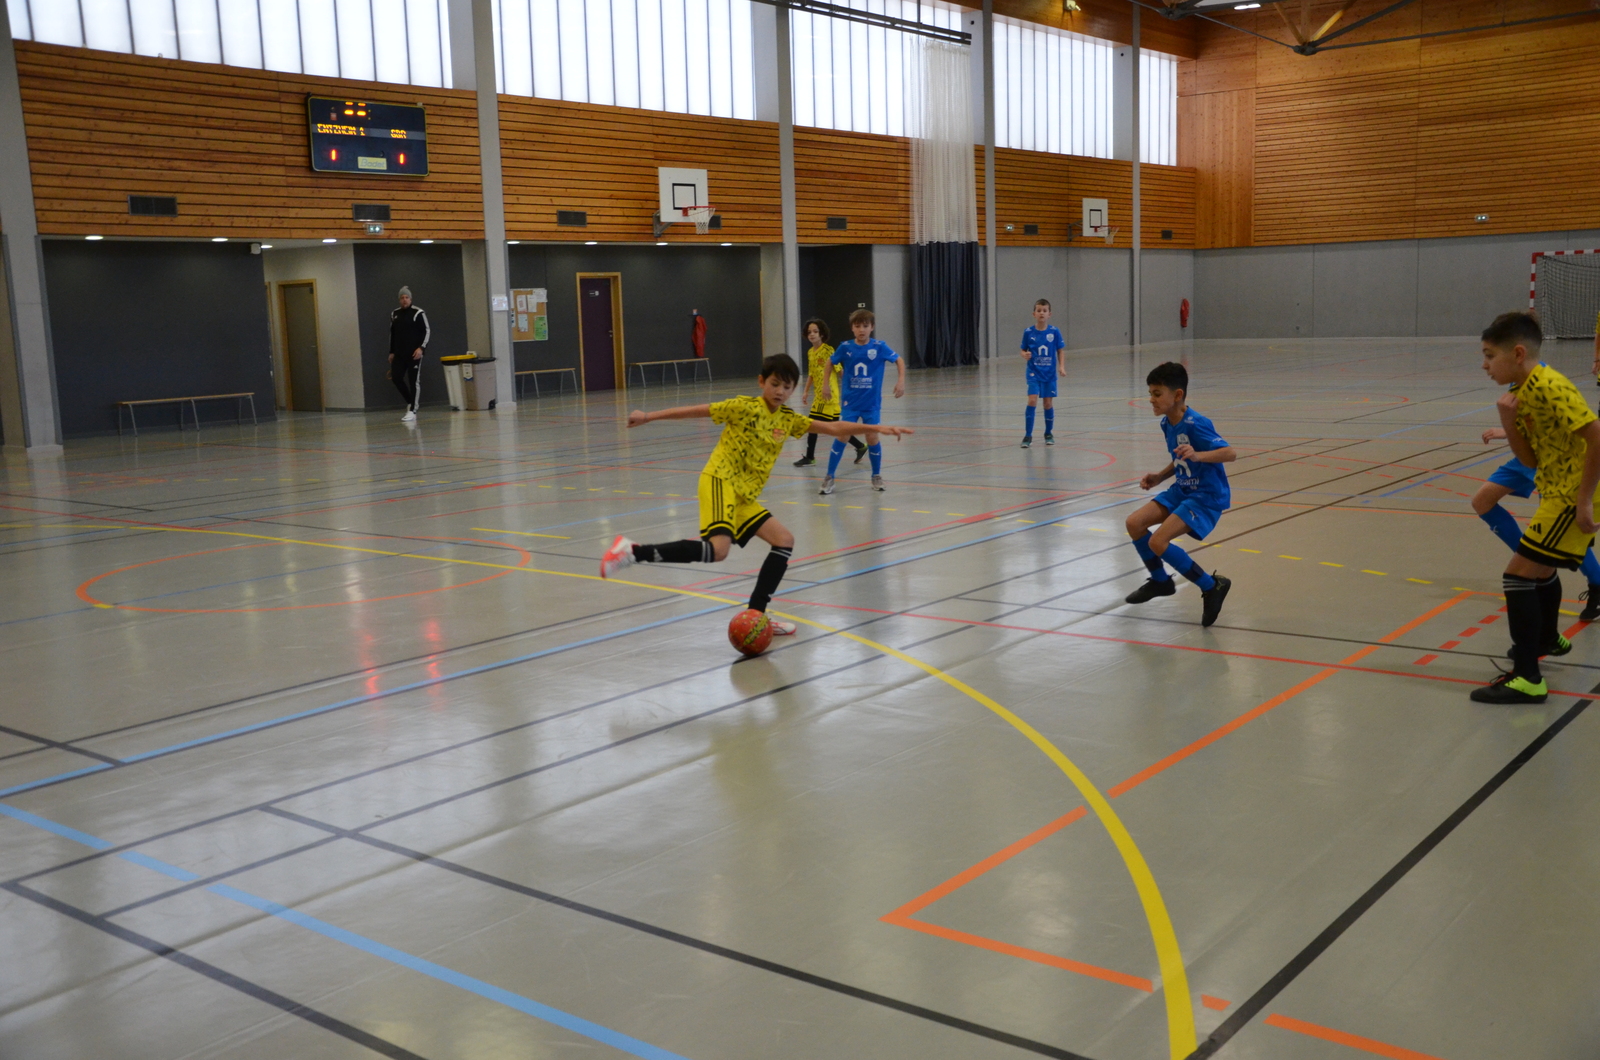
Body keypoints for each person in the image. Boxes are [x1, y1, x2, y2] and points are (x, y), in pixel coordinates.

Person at [600, 354, 912, 631]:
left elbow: (832, 428)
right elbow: (698, 410)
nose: (780, 391)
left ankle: (756, 615)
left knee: (783, 541)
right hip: (720, 480)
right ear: (762, 381)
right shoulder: (743, 407)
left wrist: (877, 428)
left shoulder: (788, 419)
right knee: (718, 550)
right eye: (775, 384)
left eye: (787, 387)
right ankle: (631, 552)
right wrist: (649, 416)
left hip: (744, 496)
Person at [1471, 312, 1600, 704]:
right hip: (1556, 489)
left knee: (1517, 577)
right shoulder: (1521, 390)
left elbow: (1597, 435)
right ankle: (1546, 639)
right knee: (1539, 571)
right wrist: (1508, 421)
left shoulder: (1549, 386)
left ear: (1518, 353)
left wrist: (1583, 501)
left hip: (1571, 495)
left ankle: (1528, 678)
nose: (1485, 365)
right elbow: (1529, 459)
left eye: (1490, 355)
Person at [1123, 361, 1235, 628]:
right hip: (1182, 489)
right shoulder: (1167, 423)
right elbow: (1181, 459)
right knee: (1134, 523)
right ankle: (1161, 582)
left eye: (1157, 393)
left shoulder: (1197, 423)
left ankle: (1212, 586)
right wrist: (1160, 476)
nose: (1151, 399)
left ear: (1178, 395)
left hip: (1205, 496)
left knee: (1158, 541)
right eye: (1150, 393)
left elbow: (1230, 453)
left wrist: (1199, 455)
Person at [1474, 426, 1600, 622]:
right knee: (1482, 501)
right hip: (1530, 455)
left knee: (1559, 533)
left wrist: (1512, 431)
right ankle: (1533, 561)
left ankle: (1596, 583)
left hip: (1556, 459)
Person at [822, 308, 906, 494]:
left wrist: (901, 381)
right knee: (842, 436)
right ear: (852, 328)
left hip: (871, 404)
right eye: (858, 326)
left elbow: (899, 361)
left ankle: (876, 475)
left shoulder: (879, 347)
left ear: (872, 327)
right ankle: (829, 476)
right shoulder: (845, 347)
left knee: (872, 437)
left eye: (865, 326)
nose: (861, 330)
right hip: (850, 403)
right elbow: (830, 362)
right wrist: (825, 385)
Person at [794, 317, 865, 468]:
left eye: (815, 331)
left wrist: (851, 390)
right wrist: (805, 391)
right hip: (818, 396)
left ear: (822, 334)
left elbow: (840, 371)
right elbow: (812, 374)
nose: (812, 334)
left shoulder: (828, 351)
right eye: (809, 332)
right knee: (835, 427)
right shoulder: (810, 352)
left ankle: (810, 457)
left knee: (812, 425)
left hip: (828, 396)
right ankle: (860, 446)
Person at [1019, 298, 1066, 448]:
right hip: (1033, 372)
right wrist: (1024, 354)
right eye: (1039, 310)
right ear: (1034, 314)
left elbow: (1060, 350)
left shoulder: (1054, 332)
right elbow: (1022, 350)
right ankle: (1028, 435)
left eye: (1044, 311)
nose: (1041, 313)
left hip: (1049, 374)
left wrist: (1061, 367)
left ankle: (1048, 433)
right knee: (1032, 400)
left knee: (1047, 403)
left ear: (1049, 314)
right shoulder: (1028, 332)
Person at [388, 286, 430, 423]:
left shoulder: (418, 313)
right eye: (402, 298)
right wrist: (392, 352)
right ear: (399, 300)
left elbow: (426, 331)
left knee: (413, 381)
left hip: (414, 354)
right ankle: (410, 402)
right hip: (399, 354)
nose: (404, 300)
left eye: (407, 297)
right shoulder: (395, 314)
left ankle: (413, 410)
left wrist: (421, 348)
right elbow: (393, 334)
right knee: (396, 377)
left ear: (410, 299)